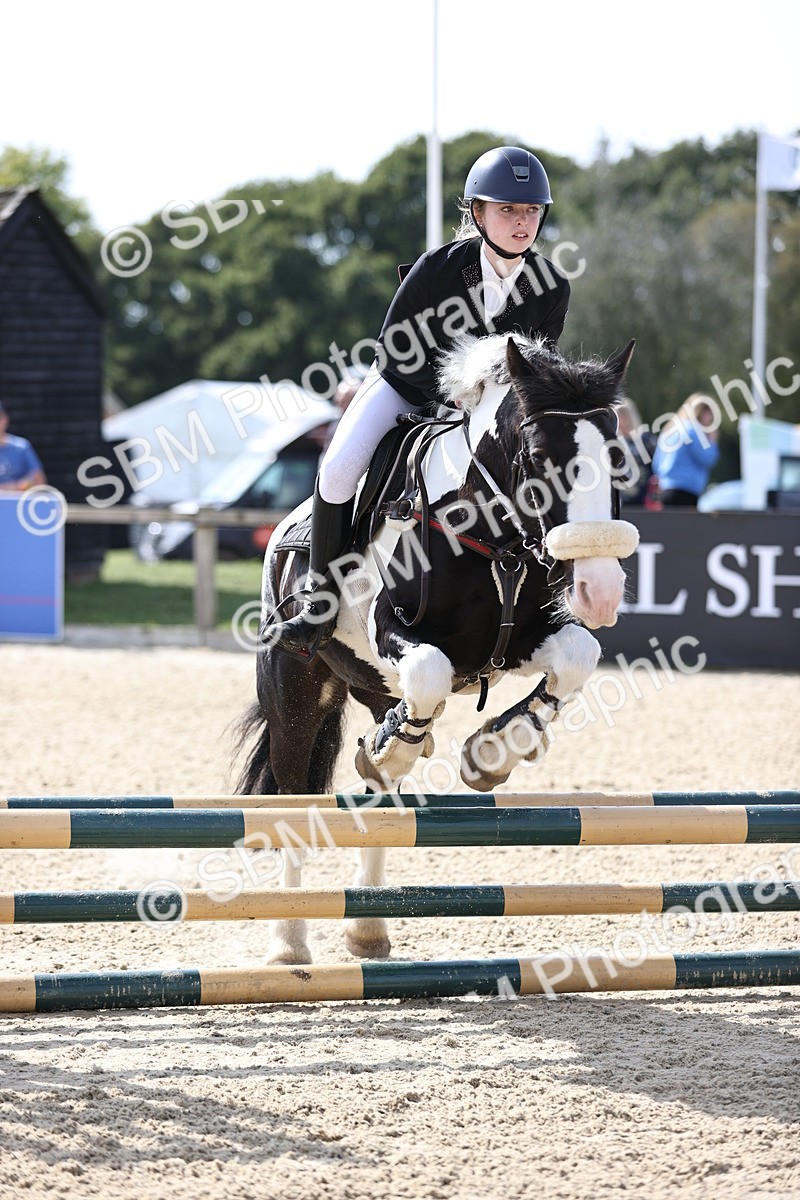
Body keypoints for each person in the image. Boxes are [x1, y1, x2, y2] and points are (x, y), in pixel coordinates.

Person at [273, 146, 571, 659]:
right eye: (508, 210)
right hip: (406, 387)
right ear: (478, 213)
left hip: (486, 414)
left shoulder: (551, 286)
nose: (522, 223)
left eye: (531, 212)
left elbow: (535, 373)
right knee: (340, 468)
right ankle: (320, 602)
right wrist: (445, 403)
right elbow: (397, 347)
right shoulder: (438, 270)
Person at [652, 394, 719, 507]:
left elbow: (656, 464)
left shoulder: (669, 430)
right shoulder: (694, 431)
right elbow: (707, 459)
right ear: (702, 413)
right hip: (686, 490)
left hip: (665, 489)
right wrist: (712, 441)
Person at [615, 398, 656, 506]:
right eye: (618, 415)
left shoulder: (645, 440)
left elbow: (654, 467)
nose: (621, 419)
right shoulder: (613, 442)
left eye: (624, 415)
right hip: (619, 499)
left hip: (643, 498)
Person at [0, 402, 46, 492]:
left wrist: (17, 486)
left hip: (17, 504)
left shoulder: (22, 446)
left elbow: (39, 480)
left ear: (5, 419)